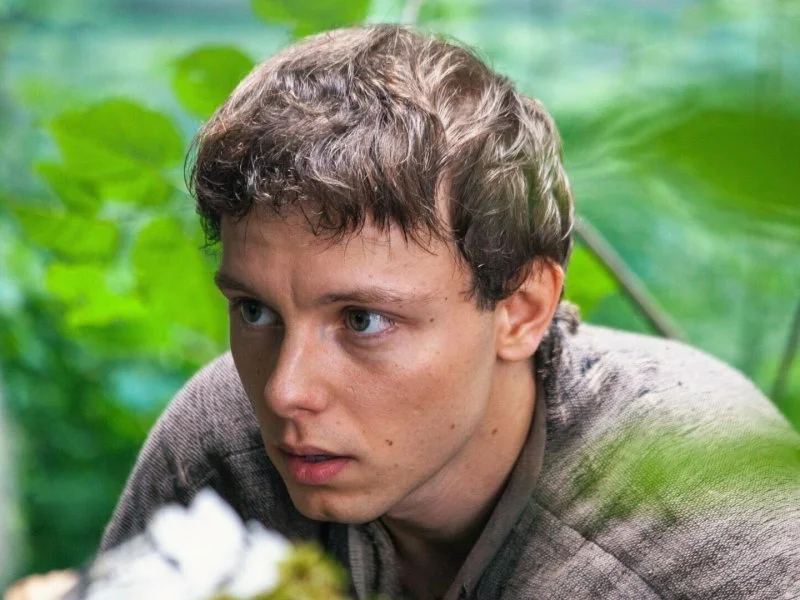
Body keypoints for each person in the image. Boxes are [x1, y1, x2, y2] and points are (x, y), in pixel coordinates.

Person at [98, 24, 799, 600]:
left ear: (522, 310)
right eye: (255, 310)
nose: (285, 391)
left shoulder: (717, 525)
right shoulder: (222, 447)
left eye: (362, 320)